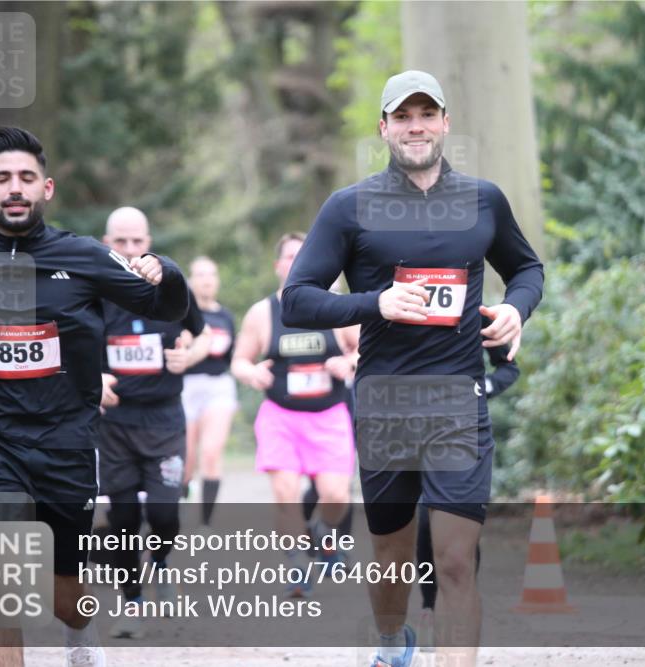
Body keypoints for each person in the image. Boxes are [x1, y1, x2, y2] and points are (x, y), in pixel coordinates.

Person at [0, 127, 191, 667]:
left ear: (46, 188)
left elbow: (165, 307)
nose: (15, 188)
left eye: (26, 177)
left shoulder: (86, 256)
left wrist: (167, 272)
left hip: (67, 447)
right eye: (2, 179)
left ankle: (79, 632)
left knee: (65, 596)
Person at [280, 71, 543, 667]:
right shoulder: (350, 207)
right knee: (393, 552)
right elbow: (296, 300)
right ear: (384, 129)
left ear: (446, 123)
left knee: (454, 559)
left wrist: (513, 309)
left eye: (427, 114)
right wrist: (373, 302)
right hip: (385, 403)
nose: (416, 126)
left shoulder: (484, 200)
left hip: (458, 401)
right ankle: (392, 644)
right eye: (403, 117)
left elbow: (527, 270)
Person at [97, 207, 210, 639]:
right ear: (107, 242)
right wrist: (93, 376)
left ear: (149, 242)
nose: (129, 251)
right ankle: (131, 602)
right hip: (115, 423)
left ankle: (160, 560)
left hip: (164, 421)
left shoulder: (173, 290)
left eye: (137, 242)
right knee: (123, 518)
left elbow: (206, 335)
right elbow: (68, 344)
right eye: (120, 242)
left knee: (164, 514)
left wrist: (191, 356)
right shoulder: (96, 293)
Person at [231, 232, 360, 597]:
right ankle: (298, 567)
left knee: (336, 495)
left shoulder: (336, 307)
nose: (296, 261)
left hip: (329, 414)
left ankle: (321, 534)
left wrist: (346, 361)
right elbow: (239, 360)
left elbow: (364, 351)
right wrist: (252, 372)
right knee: (286, 493)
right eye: (289, 256)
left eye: (303, 255)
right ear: (278, 266)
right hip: (280, 416)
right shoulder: (263, 313)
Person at [416, 331, 520, 641]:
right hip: (408, 426)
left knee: (459, 533)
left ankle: (460, 599)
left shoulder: (477, 314)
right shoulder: (398, 305)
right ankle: (429, 606)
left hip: (462, 430)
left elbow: (508, 367)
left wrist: (484, 386)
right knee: (424, 523)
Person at [180, 256, 238, 527]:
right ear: (190, 280)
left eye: (211, 274)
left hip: (217, 386)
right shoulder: (182, 314)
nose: (206, 280)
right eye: (200, 274)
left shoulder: (225, 316)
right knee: (186, 459)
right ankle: (181, 503)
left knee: (212, 453)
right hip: (186, 387)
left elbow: (233, 357)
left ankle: (205, 523)